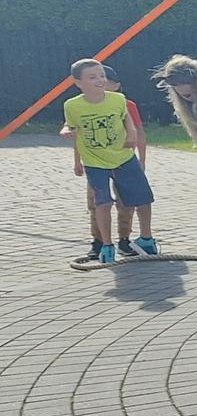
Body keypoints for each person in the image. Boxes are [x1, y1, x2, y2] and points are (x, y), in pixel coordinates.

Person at [65, 59, 156, 265]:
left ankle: (135, 239)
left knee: (135, 199)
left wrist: (136, 147)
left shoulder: (120, 101)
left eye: (102, 76)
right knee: (99, 202)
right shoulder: (73, 106)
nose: (100, 81)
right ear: (78, 82)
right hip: (95, 161)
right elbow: (74, 129)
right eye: (93, 77)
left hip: (123, 158)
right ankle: (102, 243)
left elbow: (133, 126)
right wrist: (77, 160)